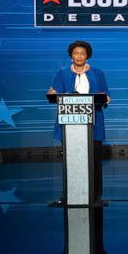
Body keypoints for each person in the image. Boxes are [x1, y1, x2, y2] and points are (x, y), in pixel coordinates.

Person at [48, 40, 110, 204]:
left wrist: (106, 98)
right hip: (70, 124)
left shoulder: (97, 73)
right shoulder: (62, 73)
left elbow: (105, 94)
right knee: (71, 161)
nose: (79, 56)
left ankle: (96, 196)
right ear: (71, 55)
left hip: (93, 123)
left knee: (94, 161)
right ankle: (69, 195)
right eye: (76, 53)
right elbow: (56, 93)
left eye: (82, 53)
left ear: (87, 56)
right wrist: (53, 93)